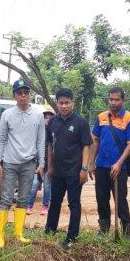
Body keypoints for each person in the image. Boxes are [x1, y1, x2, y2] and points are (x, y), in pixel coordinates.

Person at [0, 79, 46, 248]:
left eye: (26, 93)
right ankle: (0, 236)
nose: (23, 96)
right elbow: (1, 139)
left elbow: (41, 141)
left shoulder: (37, 114)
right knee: (6, 198)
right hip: (9, 162)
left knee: (23, 198)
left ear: (30, 95)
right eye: (19, 93)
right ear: (14, 95)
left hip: (29, 163)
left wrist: (42, 162)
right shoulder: (7, 114)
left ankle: (18, 233)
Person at [44, 88, 92, 250]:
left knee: (74, 204)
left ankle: (72, 236)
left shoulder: (81, 122)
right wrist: (49, 167)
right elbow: (50, 145)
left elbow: (86, 146)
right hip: (57, 172)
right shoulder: (53, 122)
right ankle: (50, 231)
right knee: (55, 202)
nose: (64, 106)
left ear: (73, 103)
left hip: (74, 172)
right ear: (56, 104)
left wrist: (84, 169)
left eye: (67, 102)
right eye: (61, 103)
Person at [89, 86, 130, 239]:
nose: (113, 102)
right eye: (111, 99)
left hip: (119, 167)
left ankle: (125, 229)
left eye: (117, 100)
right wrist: (92, 162)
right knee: (101, 198)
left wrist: (118, 164)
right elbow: (96, 140)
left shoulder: (129, 119)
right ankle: (104, 228)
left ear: (123, 100)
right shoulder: (101, 117)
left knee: (120, 199)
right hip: (101, 166)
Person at [26, 106, 55, 215]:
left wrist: (50, 167)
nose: (47, 119)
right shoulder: (37, 131)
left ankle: (45, 206)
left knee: (47, 187)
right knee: (34, 185)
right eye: (45, 117)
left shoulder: (53, 132)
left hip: (49, 165)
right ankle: (29, 206)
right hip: (37, 165)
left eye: (50, 117)